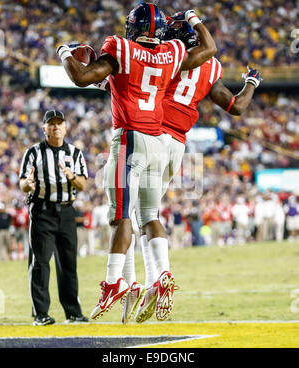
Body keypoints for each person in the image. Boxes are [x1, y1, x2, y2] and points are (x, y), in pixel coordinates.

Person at [56, 2, 217, 322]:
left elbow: (87, 77)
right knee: (146, 214)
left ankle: (120, 280)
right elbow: (205, 51)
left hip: (134, 137)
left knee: (120, 214)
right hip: (165, 143)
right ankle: (160, 275)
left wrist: (64, 52)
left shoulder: (120, 46)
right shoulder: (172, 53)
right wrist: (194, 20)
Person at [122, 17, 263, 324]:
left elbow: (140, 82)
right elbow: (236, 107)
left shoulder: (168, 56)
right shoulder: (210, 67)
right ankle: (151, 282)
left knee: (140, 214)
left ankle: (154, 278)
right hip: (178, 145)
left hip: (154, 136)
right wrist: (251, 82)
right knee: (145, 213)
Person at [19, 110, 89, 326]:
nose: (55, 127)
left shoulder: (75, 153)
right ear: (44, 128)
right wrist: (27, 185)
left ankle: (73, 313)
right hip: (42, 211)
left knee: (68, 264)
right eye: (51, 124)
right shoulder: (33, 152)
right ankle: (41, 314)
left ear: (66, 127)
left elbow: (83, 184)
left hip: (67, 211)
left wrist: (72, 177)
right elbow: (23, 183)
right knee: (40, 263)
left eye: (59, 123)